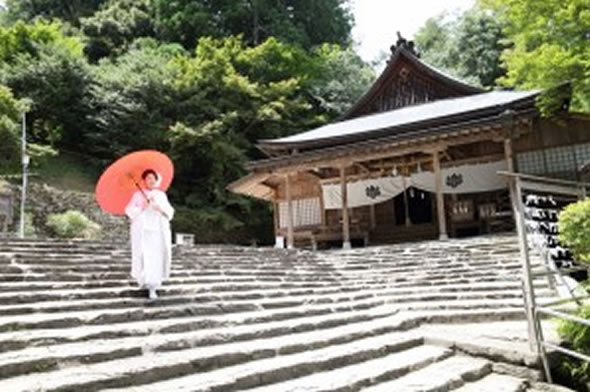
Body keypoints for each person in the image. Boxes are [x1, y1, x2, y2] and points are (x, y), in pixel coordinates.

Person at [125, 169, 174, 299]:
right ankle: (143, 281)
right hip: (143, 230)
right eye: (148, 178)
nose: (151, 180)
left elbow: (170, 212)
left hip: (157, 231)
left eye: (153, 178)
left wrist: (159, 208)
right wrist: (142, 206)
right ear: (144, 181)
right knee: (143, 256)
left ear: (156, 180)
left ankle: (153, 287)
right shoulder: (137, 195)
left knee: (155, 258)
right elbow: (129, 210)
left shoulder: (161, 195)